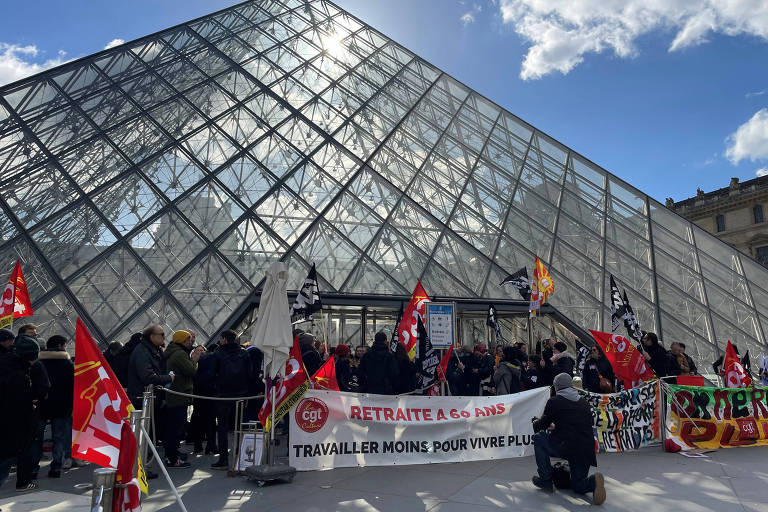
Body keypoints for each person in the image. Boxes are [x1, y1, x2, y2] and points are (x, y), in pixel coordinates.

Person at [532, 373, 606, 505]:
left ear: (557, 387)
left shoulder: (554, 401)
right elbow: (576, 425)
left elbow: (540, 426)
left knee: (539, 438)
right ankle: (593, 481)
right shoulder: (583, 402)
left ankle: (546, 480)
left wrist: (535, 422)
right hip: (585, 449)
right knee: (578, 486)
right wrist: (557, 426)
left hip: (566, 445)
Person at [0, 328, 36, 491]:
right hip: (12, 424)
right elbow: (18, 403)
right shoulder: (18, 373)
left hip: (8, 422)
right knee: (6, 460)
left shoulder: (8, 364)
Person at [163, 330, 203, 468]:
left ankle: (171, 455)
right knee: (176, 428)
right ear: (181, 341)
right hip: (180, 395)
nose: (189, 342)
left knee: (172, 427)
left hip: (173, 394)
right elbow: (191, 371)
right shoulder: (180, 354)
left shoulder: (171, 352)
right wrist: (195, 361)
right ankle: (172, 459)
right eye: (187, 340)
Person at [211, 329, 251, 470]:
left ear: (224, 340)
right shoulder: (244, 353)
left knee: (222, 428)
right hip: (241, 395)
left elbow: (212, 374)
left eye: (221, 339)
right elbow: (250, 375)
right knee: (240, 427)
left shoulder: (218, 354)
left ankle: (223, 460)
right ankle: (241, 457)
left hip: (222, 396)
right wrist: (247, 394)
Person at [37, 335, 74, 478]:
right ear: (60, 346)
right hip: (61, 406)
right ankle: (56, 467)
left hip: (41, 405)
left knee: (36, 438)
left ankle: (33, 469)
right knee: (59, 438)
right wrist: (71, 406)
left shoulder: (39, 362)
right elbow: (72, 387)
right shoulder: (67, 364)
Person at [127, 324, 173, 407]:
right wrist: (169, 378)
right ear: (152, 336)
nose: (164, 337)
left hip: (148, 399)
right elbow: (148, 377)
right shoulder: (142, 352)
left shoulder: (153, 350)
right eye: (162, 334)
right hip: (142, 400)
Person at [190, 343, 218, 455]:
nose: (200, 353)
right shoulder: (195, 362)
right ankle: (206, 445)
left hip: (203, 393)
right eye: (198, 351)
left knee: (205, 419)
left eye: (202, 350)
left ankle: (205, 445)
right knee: (205, 420)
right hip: (204, 393)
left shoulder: (206, 361)